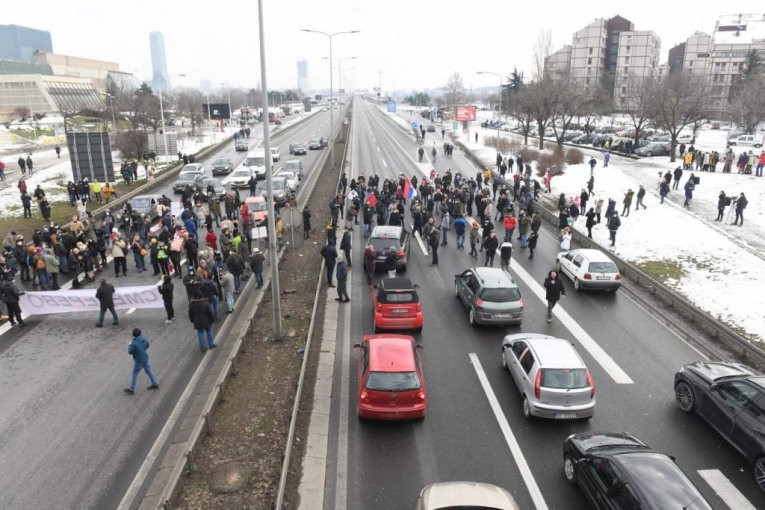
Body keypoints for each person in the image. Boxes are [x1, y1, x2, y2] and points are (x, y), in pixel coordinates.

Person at [124, 328, 159, 395]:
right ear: (140, 333)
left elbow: (130, 352)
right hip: (145, 358)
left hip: (139, 360)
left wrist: (129, 345)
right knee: (149, 371)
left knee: (135, 374)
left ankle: (132, 389)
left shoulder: (134, 343)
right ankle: (155, 383)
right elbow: (147, 346)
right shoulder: (144, 338)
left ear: (134, 335)